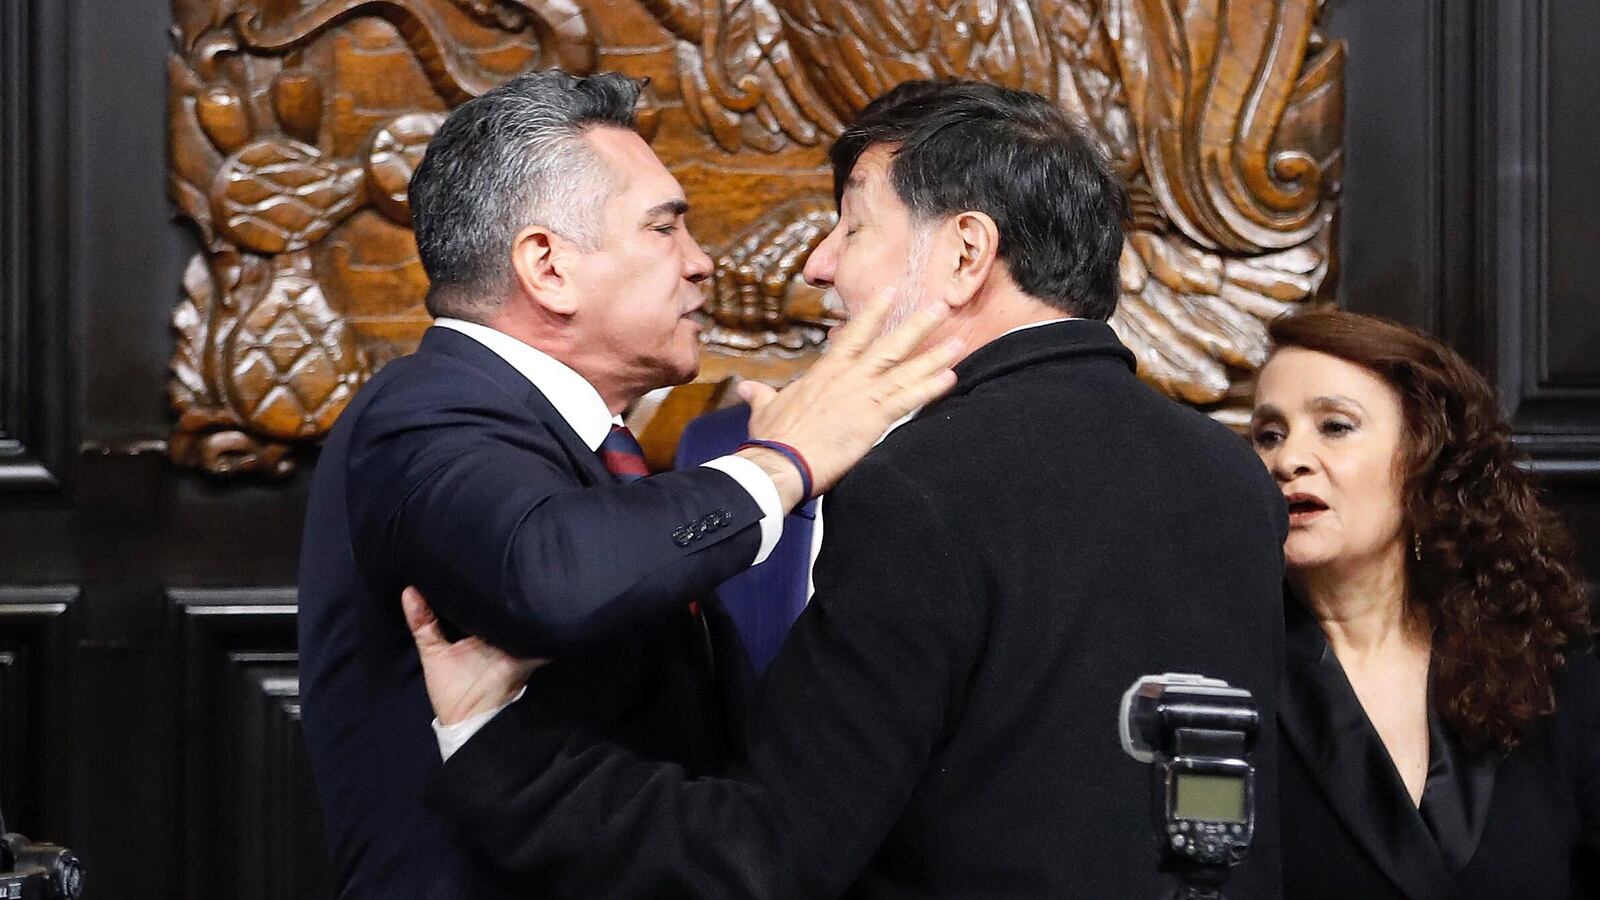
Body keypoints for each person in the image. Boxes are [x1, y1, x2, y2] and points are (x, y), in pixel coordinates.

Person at [404, 79, 1289, 898]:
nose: (819, 265)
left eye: (852, 227)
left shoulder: (921, 487)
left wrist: (496, 753)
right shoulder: (1232, 476)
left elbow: (768, 855)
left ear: (966, 253)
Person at [296, 70, 958, 899]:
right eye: (664, 228)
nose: (702, 263)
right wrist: (782, 464)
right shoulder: (425, 408)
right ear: (548, 267)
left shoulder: (603, 452)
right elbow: (550, 574)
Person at [1249, 309, 1599, 899]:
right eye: (1269, 434)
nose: (1288, 460)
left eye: (1334, 426)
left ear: (1424, 460)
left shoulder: (1550, 675)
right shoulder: (1226, 673)